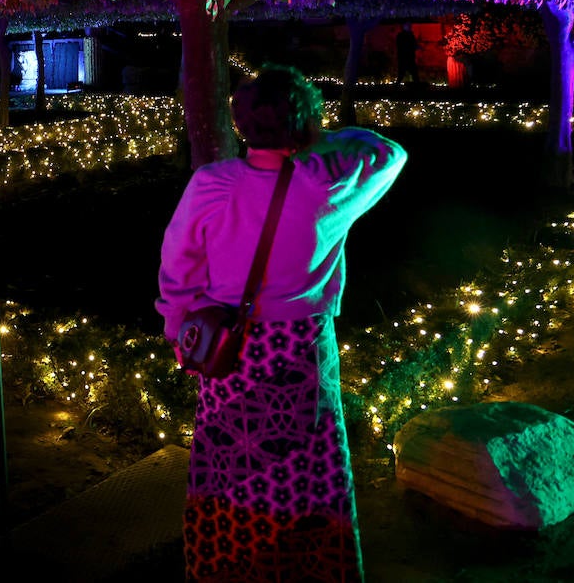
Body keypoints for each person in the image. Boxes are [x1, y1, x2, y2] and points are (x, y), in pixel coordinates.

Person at [156, 63, 406, 582]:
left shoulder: (212, 184)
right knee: (310, 469)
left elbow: (176, 265)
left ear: (242, 123)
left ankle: (230, 560)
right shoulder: (330, 182)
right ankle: (309, 567)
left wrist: (178, 328)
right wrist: (312, 134)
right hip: (303, 350)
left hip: (231, 350)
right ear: (305, 120)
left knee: (232, 467)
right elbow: (387, 151)